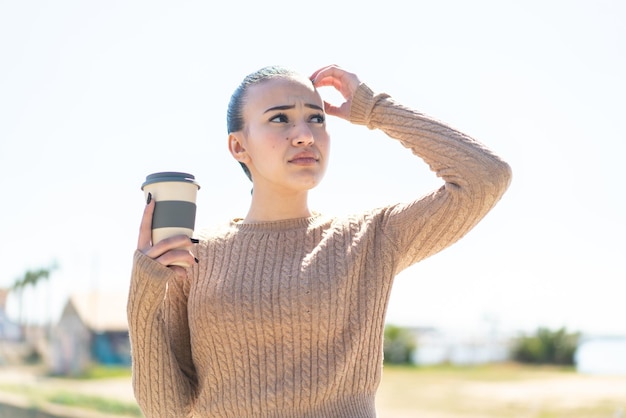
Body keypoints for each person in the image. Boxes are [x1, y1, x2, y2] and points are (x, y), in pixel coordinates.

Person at [127, 64, 512, 417]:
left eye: (316, 119)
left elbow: (485, 177)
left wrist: (374, 109)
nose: (305, 136)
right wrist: (143, 295)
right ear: (238, 146)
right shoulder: (194, 257)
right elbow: (167, 410)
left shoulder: (370, 238)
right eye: (280, 119)